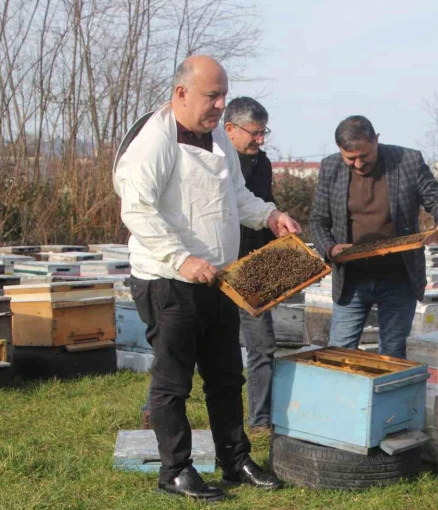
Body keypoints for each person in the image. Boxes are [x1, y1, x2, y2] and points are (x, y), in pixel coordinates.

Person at [113, 55, 299, 502]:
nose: (220, 104)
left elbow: (236, 195)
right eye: (211, 95)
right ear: (181, 94)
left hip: (218, 277)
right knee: (172, 382)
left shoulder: (217, 136)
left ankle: (235, 461)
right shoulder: (152, 142)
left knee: (225, 376)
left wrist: (270, 215)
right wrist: (181, 259)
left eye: (222, 95)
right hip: (168, 280)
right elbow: (137, 210)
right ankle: (175, 470)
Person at [309, 115, 438, 359]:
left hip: (399, 276)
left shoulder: (408, 161)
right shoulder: (330, 167)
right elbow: (318, 221)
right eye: (350, 158)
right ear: (339, 150)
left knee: (393, 353)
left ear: (376, 139)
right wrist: (330, 248)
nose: (358, 164)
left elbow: (437, 198)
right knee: (339, 352)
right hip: (352, 279)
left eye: (364, 156)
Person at [223, 97, 278, 433]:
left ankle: (260, 420)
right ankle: (154, 412)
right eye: (254, 133)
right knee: (190, 346)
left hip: (253, 270)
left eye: (263, 132)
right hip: (213, 267)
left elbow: (264, 206)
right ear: (230, 129)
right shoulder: (212, 163)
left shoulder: (264, 163)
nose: (260, 140)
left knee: (262, 346)